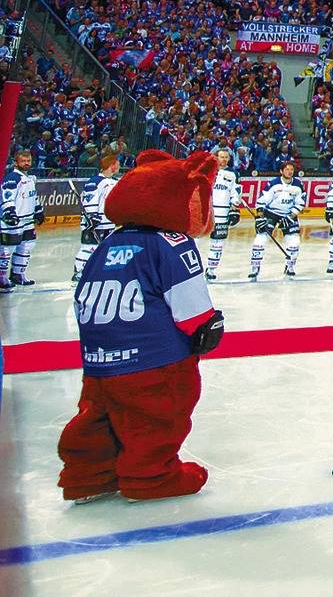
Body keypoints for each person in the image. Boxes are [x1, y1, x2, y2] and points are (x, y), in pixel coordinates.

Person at [57, 149, 225, 502]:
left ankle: (88, 475)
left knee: (96, 417)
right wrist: (209, 328)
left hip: (98, 359)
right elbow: (192, 310)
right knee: (157, 417)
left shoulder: (109, 242)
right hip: (153, 359)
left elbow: (82, 295)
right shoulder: (172, 242)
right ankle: (152, 477)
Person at [247, 161, 304, 281]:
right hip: (271, 213)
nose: (289, 172)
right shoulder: (273, 184)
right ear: (281, 171)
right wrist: (260, 217)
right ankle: (255, 267)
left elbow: (300, 203)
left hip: (288, 215)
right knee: (260, 239)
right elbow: (262, 201)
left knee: (294, 242)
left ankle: (290, 266)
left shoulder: (298, 185)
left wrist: (291, 216)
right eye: (287, 169)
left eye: (291, 170)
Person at [72, 152, 121, 282]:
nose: (119, 167)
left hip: (108, 223)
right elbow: (89, 199)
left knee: (105, 250)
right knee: (88, 248)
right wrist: (92, 216)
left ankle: (98, 272)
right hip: (95, 223)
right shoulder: (94, 182)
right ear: (112, 166)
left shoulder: (114, 182)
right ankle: (79, 272)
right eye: (118, 164)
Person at [2, 149, 42, 288]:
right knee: (8, 249)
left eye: (28, 161)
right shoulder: (13, 178)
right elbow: (7, 196)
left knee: (26, 247)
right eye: (23, 161)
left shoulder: (29, 179)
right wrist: (9, 213)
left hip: (27, 221)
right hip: (14, 221)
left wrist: (38, 211)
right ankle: (1, 278)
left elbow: (33, 197)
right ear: (16, 162)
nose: (26, 163)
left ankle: (18, 274)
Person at [205, 151, 240, 281]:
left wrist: (234, 207)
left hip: (222, 212)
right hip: (205, 211)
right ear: (216, 157)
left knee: (218, 242)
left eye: (226, 157)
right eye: (222, 157)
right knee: (195, 240)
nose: (224, 159)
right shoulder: (206, 170)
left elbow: (235, 193)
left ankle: (211, 269)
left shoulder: (233, 173)